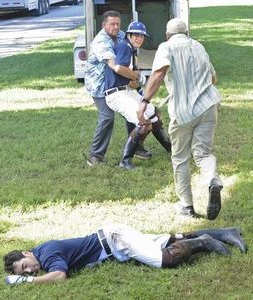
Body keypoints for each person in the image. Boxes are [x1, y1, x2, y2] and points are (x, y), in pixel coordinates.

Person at [137, 18, 224, 220]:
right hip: (208, 105)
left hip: (183, 110)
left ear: (168, 34)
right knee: (203, 154)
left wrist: (145, 100)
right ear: (186, 32)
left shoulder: (166, 47)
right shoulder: (198, 46)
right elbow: (213, 78)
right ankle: (213, 180)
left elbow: (158, 74)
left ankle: (186, 206)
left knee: (180, 158)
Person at [4, 224, 247, 285]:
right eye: (24, 271)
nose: (29, 269)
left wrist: (26, 281)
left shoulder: (46, 255)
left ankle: (204, 241)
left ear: (27, 252)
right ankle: (226, 232)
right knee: (167, 239)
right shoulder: (44, 253)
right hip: (113, 239)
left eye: (25, 265)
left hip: (115, 240)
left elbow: (59, 276)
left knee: (165, 259)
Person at [84, 10, 151, 166]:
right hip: (100, 86)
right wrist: (136, 77)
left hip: (120, 83)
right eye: (111, 24)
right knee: (107, 118)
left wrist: (134, 74)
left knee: (134, 111)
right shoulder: (101, 41)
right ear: (103, 25)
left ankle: (137, 147)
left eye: (117, 24)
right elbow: (116, 66)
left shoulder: (121, 35)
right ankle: (95, 157)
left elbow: (130, 56)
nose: (115, 27)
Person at [104, 21, 171, 170]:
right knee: (144, 123)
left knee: (155, 114)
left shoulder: (133, 51)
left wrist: (136, 80)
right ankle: (125, 161)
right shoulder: (124, 46)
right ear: (129, 35)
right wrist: (136, 76)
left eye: (141, 36)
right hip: (116, 94)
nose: (139, 39)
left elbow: (132, 82)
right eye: (135, 35)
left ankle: (170, 148)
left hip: (127, 91)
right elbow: (119, 67)